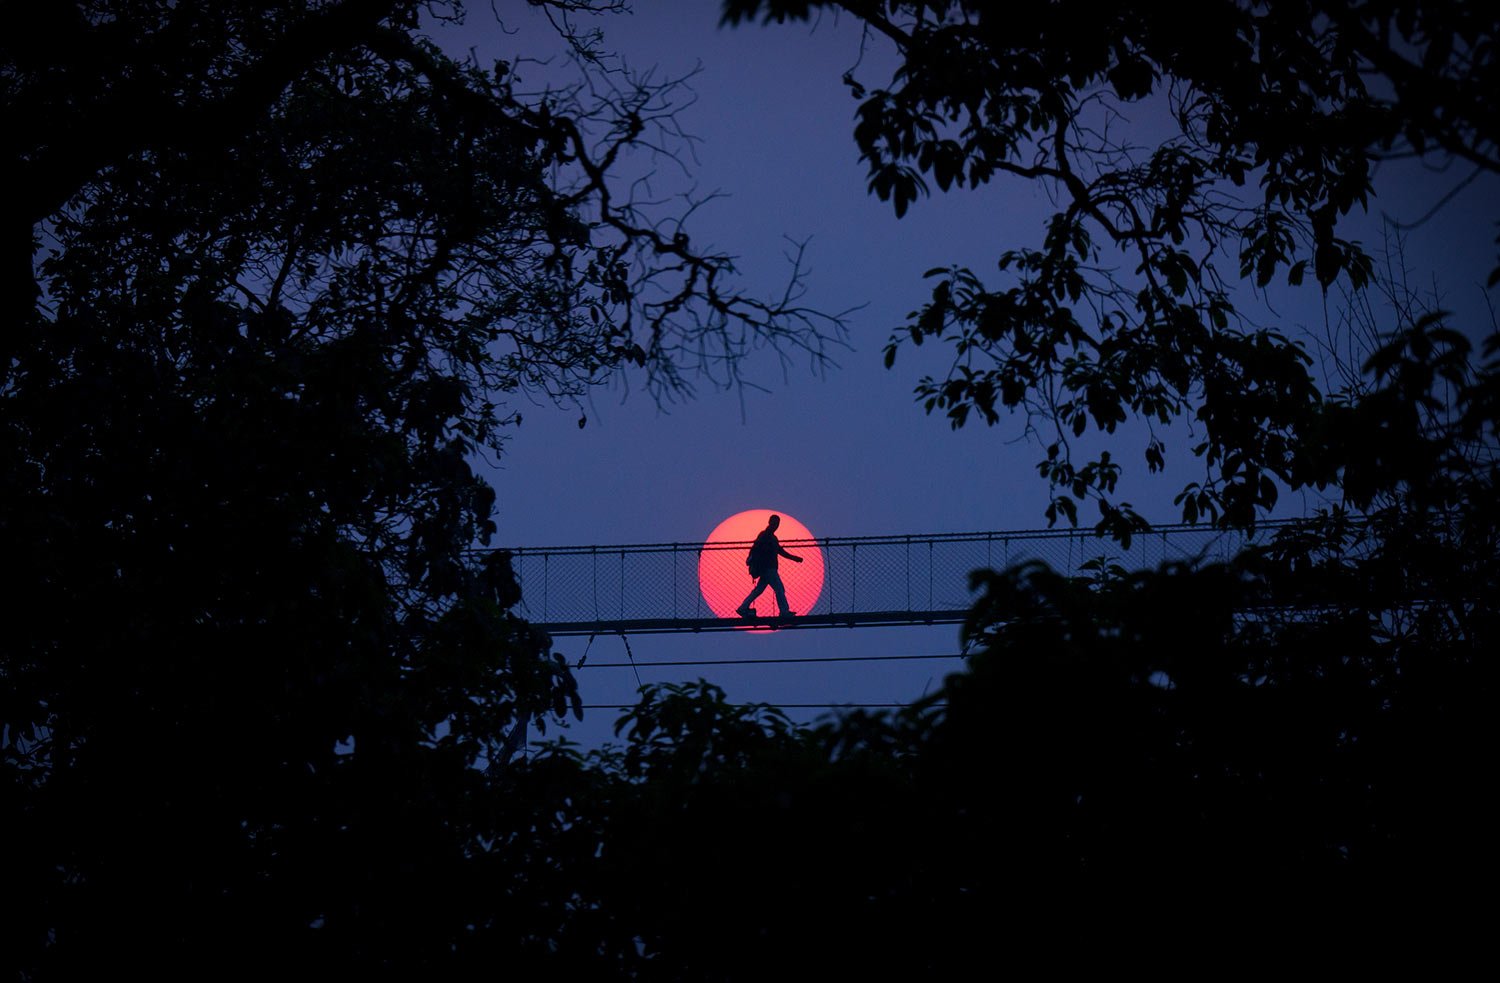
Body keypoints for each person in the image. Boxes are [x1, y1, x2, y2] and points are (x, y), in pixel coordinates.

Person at [736, 514, 803, 619]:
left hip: (766, 569)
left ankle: (743, 608)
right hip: (769, 568)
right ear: (770, 522)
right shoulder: (766, 535)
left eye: (777, 523)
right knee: (779, 589)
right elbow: (760, 549)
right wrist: (794, 558)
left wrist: (794, 558)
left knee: (759, 590)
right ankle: (784, 612)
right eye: (774, 523)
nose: (776, 525)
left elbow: (779, 550)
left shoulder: (770, 536)